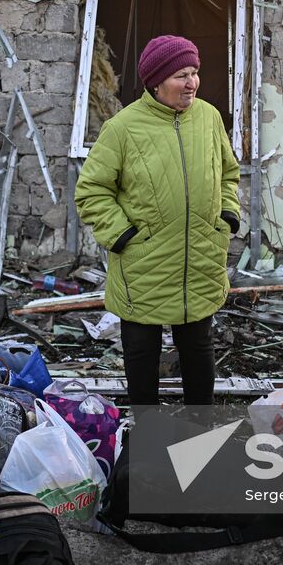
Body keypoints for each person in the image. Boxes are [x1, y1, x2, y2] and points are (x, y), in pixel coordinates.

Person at [74, 35, 240, 405]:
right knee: (141, 352)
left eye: (194, 72)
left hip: (201, 258)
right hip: (143, 262)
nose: (192, 83)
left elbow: (228, 173)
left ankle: (200, 427)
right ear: (156, 82)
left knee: (199, 347)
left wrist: (226, 214)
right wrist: (123, 235)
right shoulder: (122, 128)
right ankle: (147, 431)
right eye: (182, 75)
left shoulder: (209, 118)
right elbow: (92, 191)